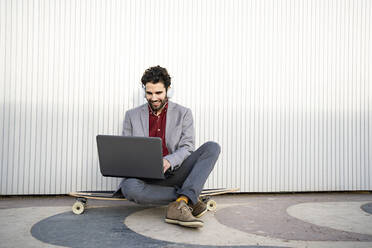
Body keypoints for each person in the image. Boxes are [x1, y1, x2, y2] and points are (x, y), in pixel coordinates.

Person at [113, 65, 221, 228]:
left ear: (168, 90)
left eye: (158, 93)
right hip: (146, 179)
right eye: (149, 93)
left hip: (175, 172)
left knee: (212, 147)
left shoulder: (184, 113)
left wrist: (169, 161)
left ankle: (183, 201)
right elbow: (127, 149)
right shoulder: (131, 116)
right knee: (129, 187)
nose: (153, 98)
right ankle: (187, 198)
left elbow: (187, 147)